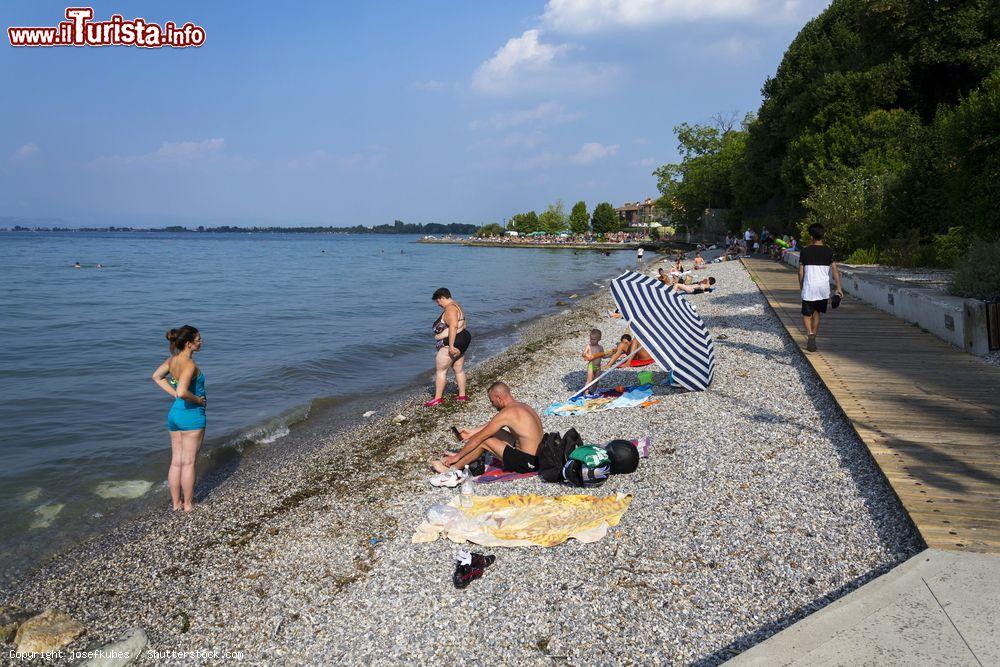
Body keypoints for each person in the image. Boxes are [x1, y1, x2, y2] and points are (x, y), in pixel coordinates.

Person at [430, 382, 543, 474]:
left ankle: (453, 469)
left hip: (529, 463)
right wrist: (472, 432)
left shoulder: (507, 413)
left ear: (498, 398)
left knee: (485, 440)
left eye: (492, 401)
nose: (492, 405)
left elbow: (479, 438)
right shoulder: (522, 406)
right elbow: (493, 424)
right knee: (496, 432)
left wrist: (456, 457)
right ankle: (463, 456)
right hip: (538, 457)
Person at [151, 325, 207, 512]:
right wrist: (198, 399)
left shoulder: (172, 360)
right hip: (191, 415)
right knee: (189, 462)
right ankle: (189, 505)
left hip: (174, 415)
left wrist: (173, 394)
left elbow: (157, 377)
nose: (202, 341)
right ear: (189, 344)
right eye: (198, 339)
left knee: (176, 461)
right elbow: (183, 391)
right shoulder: (189, 364)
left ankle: (176, 504)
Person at [799, 223, 843, 352]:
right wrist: (839, 288)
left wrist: (802, 286)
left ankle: (810, 333)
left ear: (811, 236)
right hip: (823, 288)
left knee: (807, 314)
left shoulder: (805, 251)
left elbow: (800, 272)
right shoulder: (829, 251)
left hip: (809, 286)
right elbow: (835, 271)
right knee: (817, 313)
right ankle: (814, 336)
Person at [427, 287, 471, 407]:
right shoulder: (457, 305)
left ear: (442, 297)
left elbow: (453, 326)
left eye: (438, 301)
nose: (438, 304)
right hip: (463, 339)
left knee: (441, 371)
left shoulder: (450, 309)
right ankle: (462, 395)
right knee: (458, 369)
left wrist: (451, 345)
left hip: (452, 342)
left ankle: (437, 398)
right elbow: (463, 324)